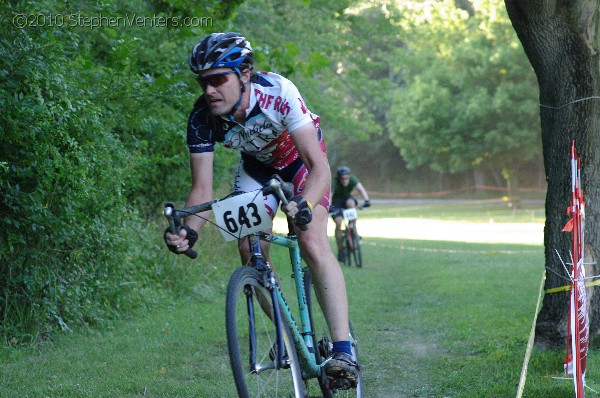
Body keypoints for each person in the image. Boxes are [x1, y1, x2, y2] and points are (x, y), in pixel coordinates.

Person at [163, 32, 358, 386]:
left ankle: (344, 348)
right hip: (257, 171)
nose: (209, 90)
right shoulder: (201, 117)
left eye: (218, 79)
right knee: (248, 250)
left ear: (245, 73)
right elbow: (201, 189)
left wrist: (305, 204)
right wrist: (189, 231)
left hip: (301, 164)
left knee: (310, 237)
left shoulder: (278, 92)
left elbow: (320, 167)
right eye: (203, 82)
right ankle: (293, 341)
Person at [330, 166, 370, 262]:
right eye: (342, 179)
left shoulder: (352, 179)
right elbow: (330, 195)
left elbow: (361, 189)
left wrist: (367, 200)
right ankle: (340, 250)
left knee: (351, 204)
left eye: (347, 178)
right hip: (336, 203)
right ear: (339, 178)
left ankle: (353, 228)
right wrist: (330, 207)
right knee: (338, 222)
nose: (345, 181)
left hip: (347, 199)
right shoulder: (334, 183)